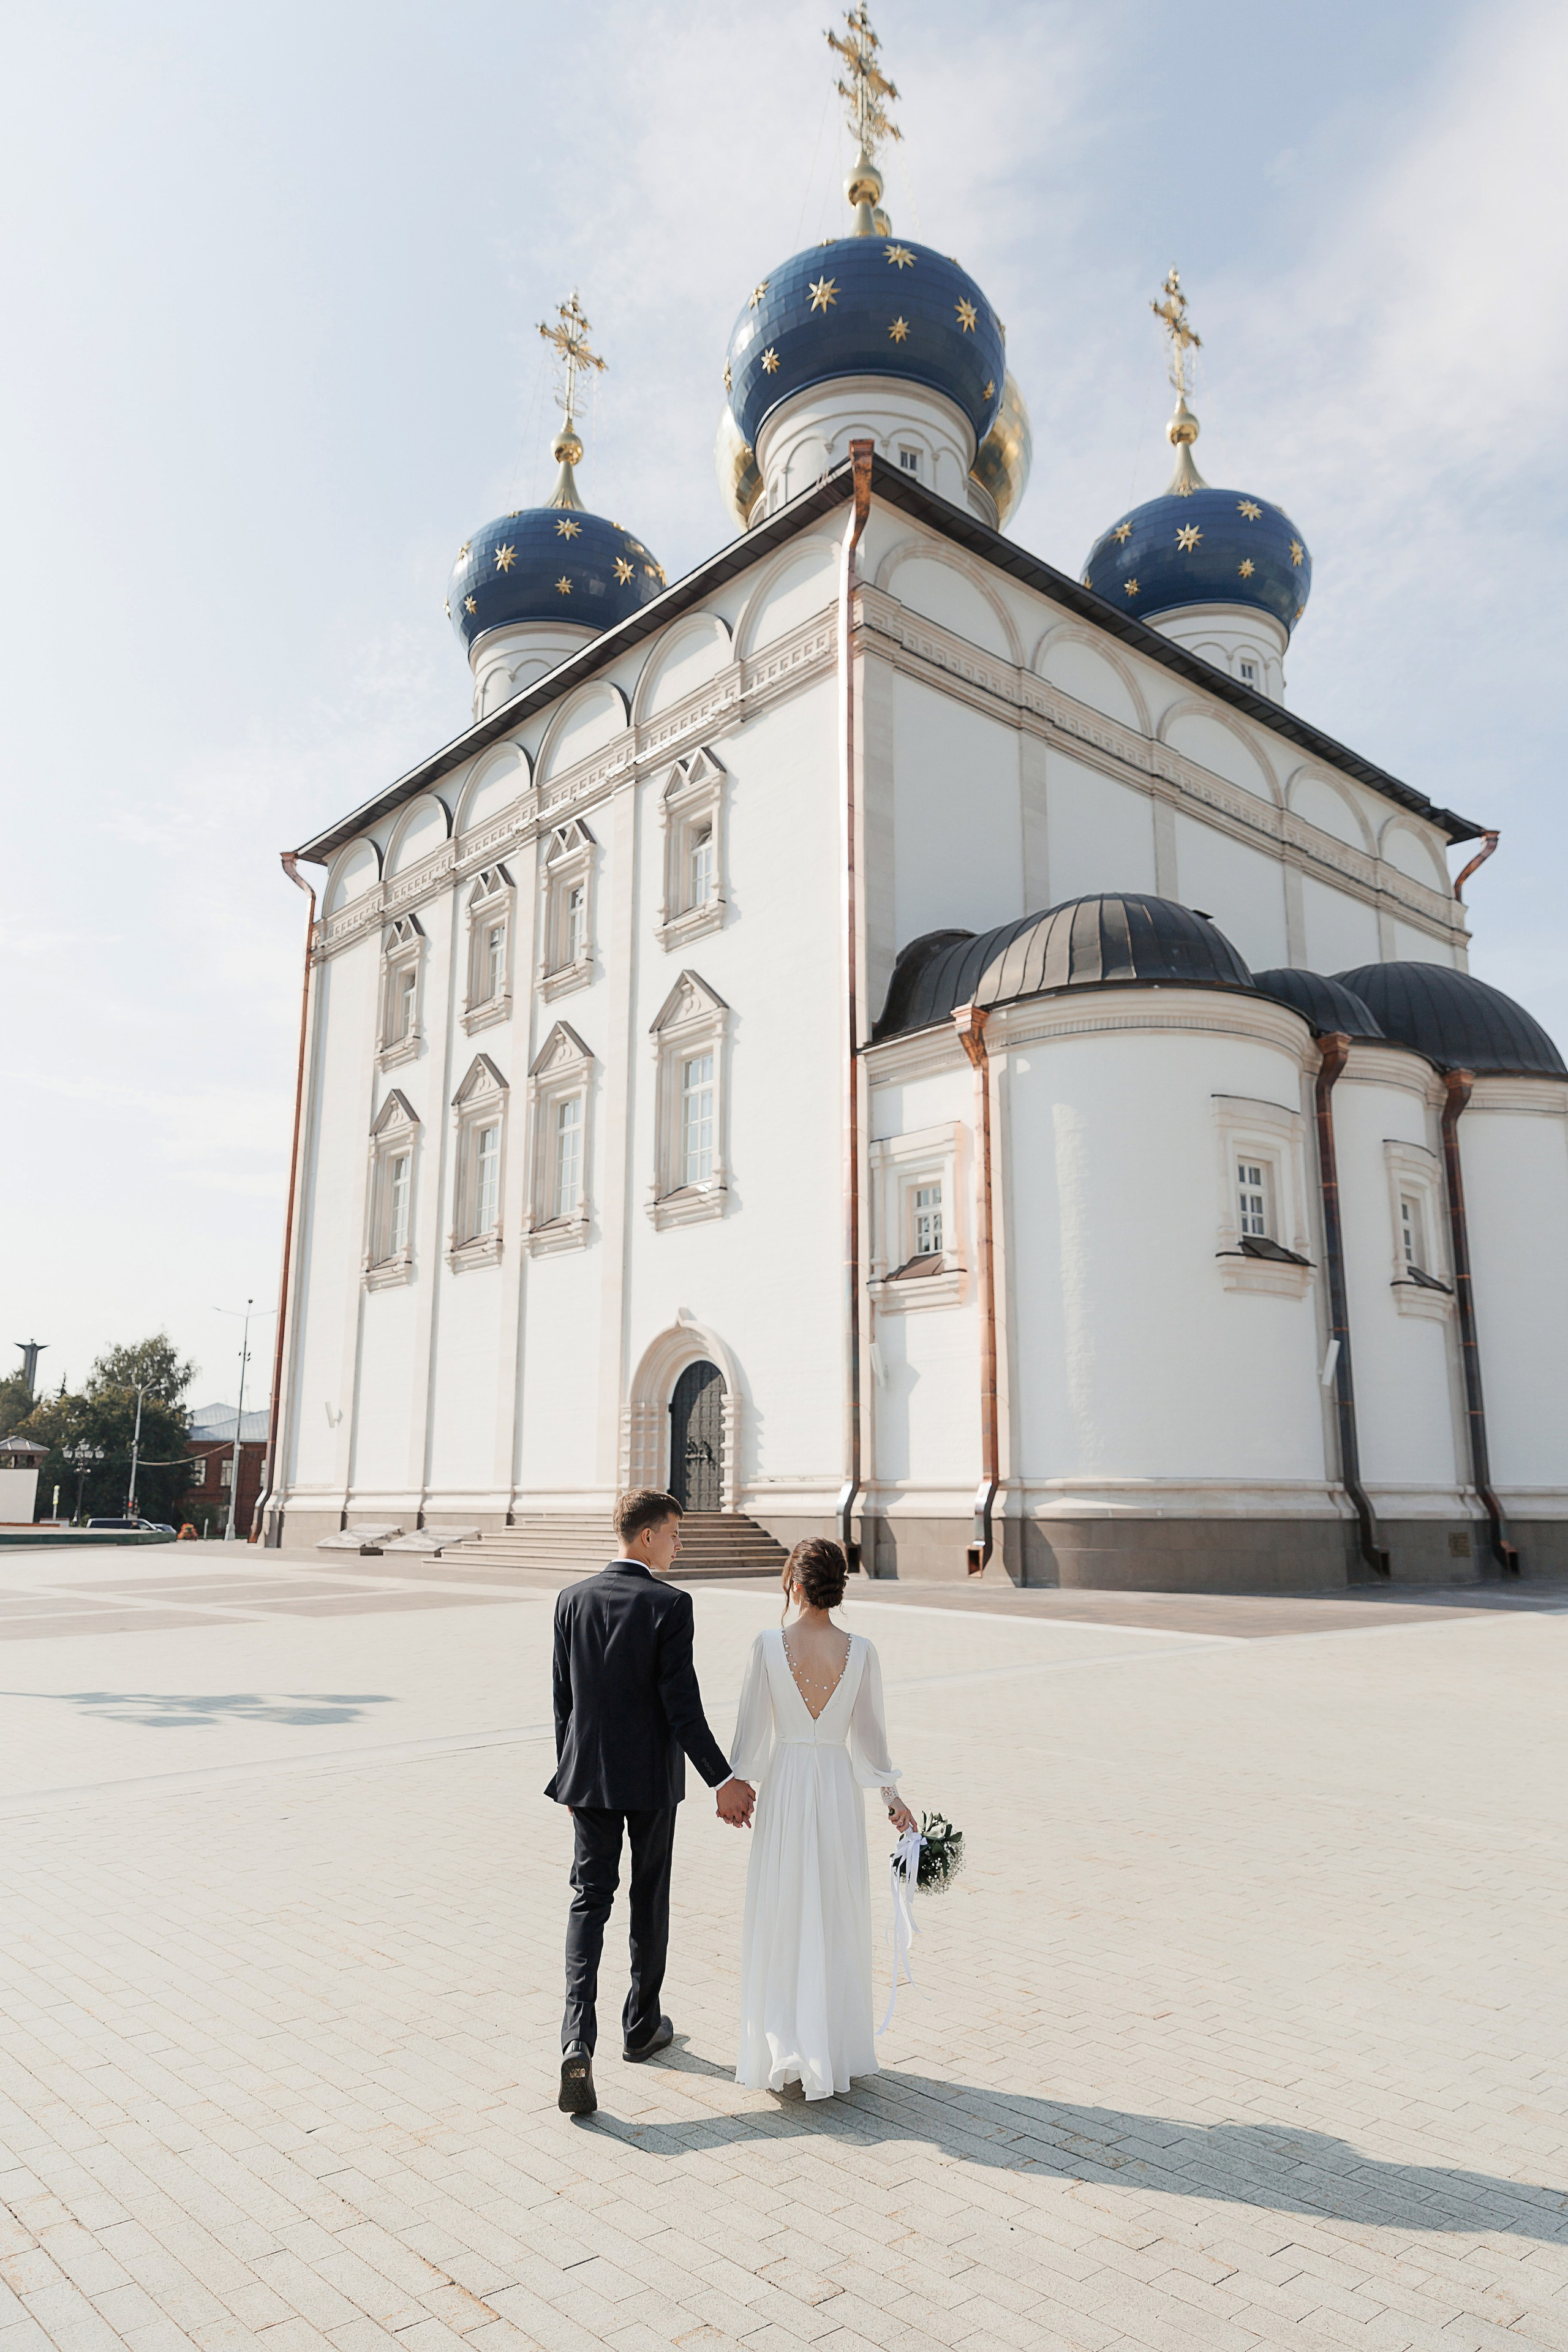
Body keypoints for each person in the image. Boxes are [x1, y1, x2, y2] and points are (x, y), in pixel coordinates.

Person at [546, 1488, 755, 2116]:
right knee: (649, 1894)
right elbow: (681, 1705)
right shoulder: (669, 1604)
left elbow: (563, 1699)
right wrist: (723, 1779)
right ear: (646, 1537)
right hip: (649, 1781)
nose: (679, 1545)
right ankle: (641, 2027)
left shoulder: (571, 1599)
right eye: (674, 1533)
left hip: (588, 1778)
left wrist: (568, 1775)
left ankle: (576, 2039)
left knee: (589, 1899)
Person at [729, 1537, 916, 2100]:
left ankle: (782, 2043)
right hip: (836, 1789)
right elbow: (872, 1740)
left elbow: (749, 1735)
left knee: (784, 1907)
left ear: (795, 1583)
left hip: (787, 1785)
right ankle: (830, 2047)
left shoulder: (767, 1645)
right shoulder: (862, 1651)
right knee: (834, 1909)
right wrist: (892, 1800)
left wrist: (738, 1784)